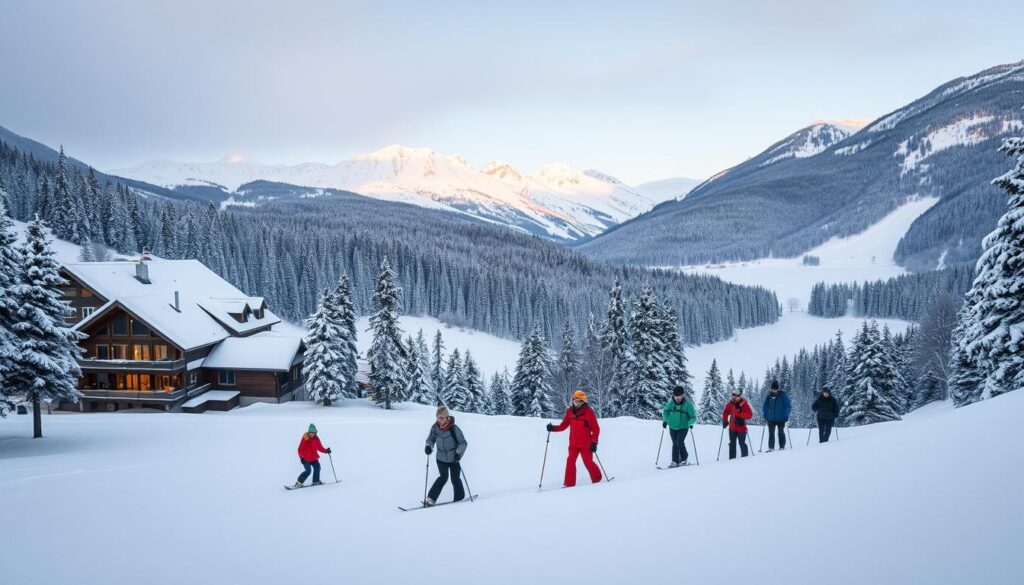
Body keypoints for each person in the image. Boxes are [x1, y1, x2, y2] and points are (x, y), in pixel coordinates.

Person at [547, 390, 602, 487]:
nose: (576, 403)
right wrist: (553, 428)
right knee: (570, 462)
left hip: (586, 444)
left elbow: (596, 429)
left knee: (588, 463)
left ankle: (597, 479)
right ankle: (569, 484)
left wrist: (594, 442)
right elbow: (563, 426)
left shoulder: (588, 412)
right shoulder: (569, 412)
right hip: (573, 443)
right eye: (575, 400)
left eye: (579, 401)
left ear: (583, 401)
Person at [424, 405, 468, 506]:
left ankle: (459, 498)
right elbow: (430, 439)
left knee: (455, 479)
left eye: (441, 418)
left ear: (447, 417)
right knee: (443, 477)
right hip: (441, 458)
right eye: (438, 417)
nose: (439, 420)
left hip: (454, 458)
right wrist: (428, 446)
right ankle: (430, 499)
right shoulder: (435, 428)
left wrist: (458, 453)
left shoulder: (454, 428)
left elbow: (463, 443)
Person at [662, 385, 696, 467]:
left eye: (679, 396)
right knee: (674, 443)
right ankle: (675, 461)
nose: (678, 398)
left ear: (683, 395)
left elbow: (693, 417)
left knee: (679, 442)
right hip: (672, 426)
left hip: (684, 426)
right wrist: (665, 420)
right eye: (676, 396)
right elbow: (665, 411)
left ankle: (684, 459)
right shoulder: (671, 403)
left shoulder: (688, 404)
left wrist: (690, 423)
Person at [293, 423, 331, 488]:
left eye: (313, 433)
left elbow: (320, 448)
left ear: (315, 432)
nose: (312, 434)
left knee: (317, 467)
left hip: (313, 458)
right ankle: (299, 483)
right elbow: (300, 449)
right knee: (308, 470)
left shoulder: (316, 439)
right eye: (310, 432)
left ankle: (316, 481)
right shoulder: (305, 438)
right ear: (308, 432)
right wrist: (301, 457)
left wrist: (326, 451)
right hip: (305, 458)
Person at [722, 389, 753, 459]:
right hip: (732, 427)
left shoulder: (743, 404)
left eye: (735, 396)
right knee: (732, 443)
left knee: (742, 443)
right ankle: (732, 460)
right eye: (732, 395)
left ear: (739, 396)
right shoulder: (730, 403)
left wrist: (740, 415)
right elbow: (726, 412)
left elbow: (750, 415)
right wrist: (725, 420)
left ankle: (745, 459)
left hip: (741, 427)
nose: (733, 397)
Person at [761, 380, 792, 451]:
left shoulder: (783, 395)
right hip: (770, 418)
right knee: (771, 433)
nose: (773, 391)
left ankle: (782, 447)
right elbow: (765, 406)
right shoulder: (769, 396)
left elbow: (788, 406)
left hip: (781, 418)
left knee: (780, 432)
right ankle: (771, 448)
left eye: (775, 389)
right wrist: (765, 414)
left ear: (778, 389)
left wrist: (786, 415)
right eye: (772, 389)